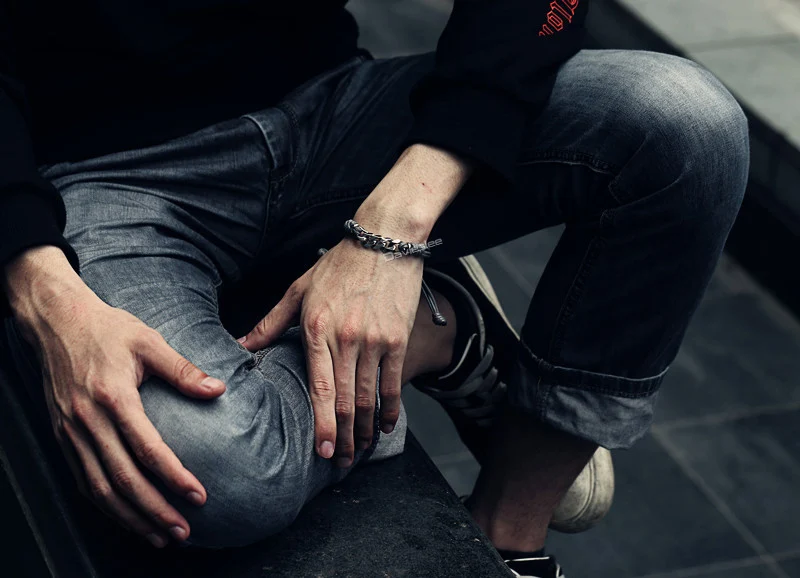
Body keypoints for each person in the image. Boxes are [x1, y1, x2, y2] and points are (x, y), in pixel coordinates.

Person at [0, 1, 749, 576]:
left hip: (327, 107)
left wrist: (393, 226)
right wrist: (42, 291)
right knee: (199, 470)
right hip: (108, 169)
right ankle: (439, 325)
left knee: (685, 123)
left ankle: (509, 538)